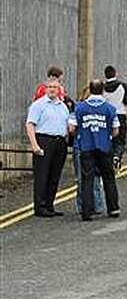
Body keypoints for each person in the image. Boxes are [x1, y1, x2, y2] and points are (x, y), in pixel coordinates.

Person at [69, 79, 121, 221]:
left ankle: (87, 212)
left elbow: (71, 128)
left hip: (86, 147)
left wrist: (81, 134)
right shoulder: (110, 109)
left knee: (87, 179)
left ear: (90, 90)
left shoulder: (79, 108)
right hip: (104, 147)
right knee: (109, 178)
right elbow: (116, 130)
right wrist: (106, 134)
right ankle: (113, 208)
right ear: (103, 90)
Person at [25, 78, 70, 217]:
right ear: (45, 89)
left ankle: (49, 205)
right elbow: (30, 124)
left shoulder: (63, 106)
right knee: (42, 175)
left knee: (54, 175)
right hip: (44, 140)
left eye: (54, 87)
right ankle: (40, 207)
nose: (51, 89)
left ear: (59, 90)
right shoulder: (38, 105)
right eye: (49, 87)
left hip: (60, 142)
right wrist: (34, 145)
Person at [73, 86, 106, 215]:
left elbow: (71, 128)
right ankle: (97, 204)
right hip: (98, 145)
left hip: (81, 145)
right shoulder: (103, 109)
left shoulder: (78, 110)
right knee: (96, 177)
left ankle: (83, 206)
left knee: (82, 178)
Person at [103, 65, 127, 171]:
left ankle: (111, 161)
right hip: (120, 116)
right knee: (120, 140)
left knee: (110, 140)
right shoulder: (123, 86)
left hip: (107, 117)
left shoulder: (103, 87)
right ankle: (117, 157)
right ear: (116, 73)